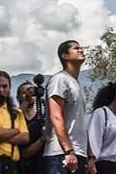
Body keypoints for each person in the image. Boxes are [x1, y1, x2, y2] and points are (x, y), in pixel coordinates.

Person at [44, 41, 89, 174]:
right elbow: (56, 116)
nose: (81, 50)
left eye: (81, 48)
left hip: (79, 153)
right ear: (65, 56)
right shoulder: (60, 80)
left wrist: (89, 155)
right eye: (76, 48)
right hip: (61, 154)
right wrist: (68, 150)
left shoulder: (77, 84)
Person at [0, 72, 30, 174]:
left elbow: (25, 138)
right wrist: (16, 131)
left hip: (12, 166)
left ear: (9, 88)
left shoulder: (16, 112)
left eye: (4, 86)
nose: (1, 90)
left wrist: (0, 135)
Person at [16, 82, 45, 174]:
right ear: (18, 97)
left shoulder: (42, 119)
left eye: (32, 91)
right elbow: (23, 154)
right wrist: (26, 101)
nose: (30, 93)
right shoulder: (15, 119)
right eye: (25, 92)